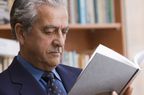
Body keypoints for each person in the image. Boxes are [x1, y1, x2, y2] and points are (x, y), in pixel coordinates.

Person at [0, 0, 132, 95]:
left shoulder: (83, 79)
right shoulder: (3, 88)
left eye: (64, 32)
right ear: (21, 33)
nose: (60, 42)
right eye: (49, 31)